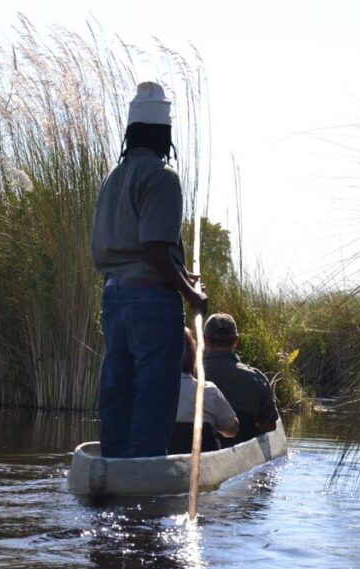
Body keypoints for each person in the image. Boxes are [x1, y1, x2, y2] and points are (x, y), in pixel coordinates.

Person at [92, 82, 207, 458]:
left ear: (132, 133)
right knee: (153, 393)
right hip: (151, 303)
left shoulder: (113, 177)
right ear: (164, 134)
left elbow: (142, 250)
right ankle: (142, 477)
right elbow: (154, 247)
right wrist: (190, 293)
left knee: (118, 387)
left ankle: (112, 465)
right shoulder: (162, 177)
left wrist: (179, 271)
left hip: (114, 296)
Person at [203, 313, 279, 447]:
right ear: (236, 341)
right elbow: (271, 426)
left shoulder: (192, 376)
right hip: (245, 458)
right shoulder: (257, 378)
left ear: (205, 340)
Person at [168, 327, 239, 453]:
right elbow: (232, 430)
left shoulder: (145, 395)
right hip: (204, 465)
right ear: (192, 355)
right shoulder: (209, 391)